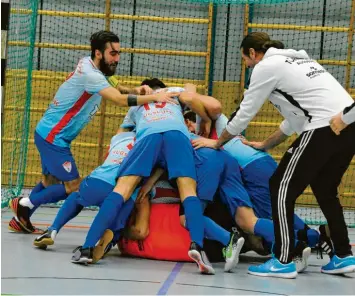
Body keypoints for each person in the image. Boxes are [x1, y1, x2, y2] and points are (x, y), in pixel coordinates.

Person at [198, 31, 355, 278]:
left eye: (245, 60)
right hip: (347, 127)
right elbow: (293, 120)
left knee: (279, 186)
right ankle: (344, 255)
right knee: (325, 190)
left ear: (252, 53)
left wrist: (218, 143)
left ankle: (283, 260)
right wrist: (266, 144)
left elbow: (244, 113)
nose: (247, 66)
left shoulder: (266, 67)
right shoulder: (299, 62)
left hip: (324, 125)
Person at [8, 31, 178, 234]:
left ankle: (21, 219)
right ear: (98, 53)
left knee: (49, 182)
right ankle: (24, 202)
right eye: (113, 54)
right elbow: (119, 100)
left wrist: (136, 89)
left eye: (118, 53)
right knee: (74, 186)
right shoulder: (92, 75)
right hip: (54, 138)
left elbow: (118, 87)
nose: (117, 58)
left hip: (48, 132)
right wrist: (154, 98)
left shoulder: (95, 68)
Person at [71, 82, 217, 275]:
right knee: (188, 191)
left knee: (121, 191)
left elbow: (121, 133)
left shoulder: (138, 103)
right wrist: (205, 119)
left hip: (148, 136)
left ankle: (88, 247)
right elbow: (194, 99)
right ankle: (197, 246)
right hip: (177, 135)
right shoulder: (172, 92)